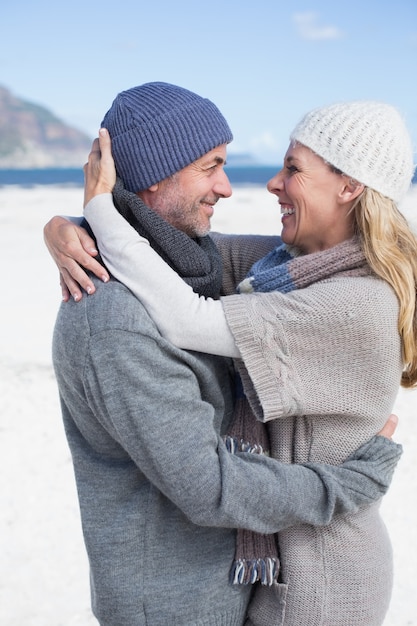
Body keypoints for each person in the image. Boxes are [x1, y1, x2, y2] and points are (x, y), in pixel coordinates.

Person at [46, 84, 402, 626]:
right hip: (217, 590)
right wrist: (71, 227)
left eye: (293, 169)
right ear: (158, 173)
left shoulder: (347, 297)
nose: (251, 185)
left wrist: (98, 211)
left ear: (351, 187)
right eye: (211, 166)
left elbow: (188, 308)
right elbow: (173, 253)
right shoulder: (282, 266)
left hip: (320, 580)